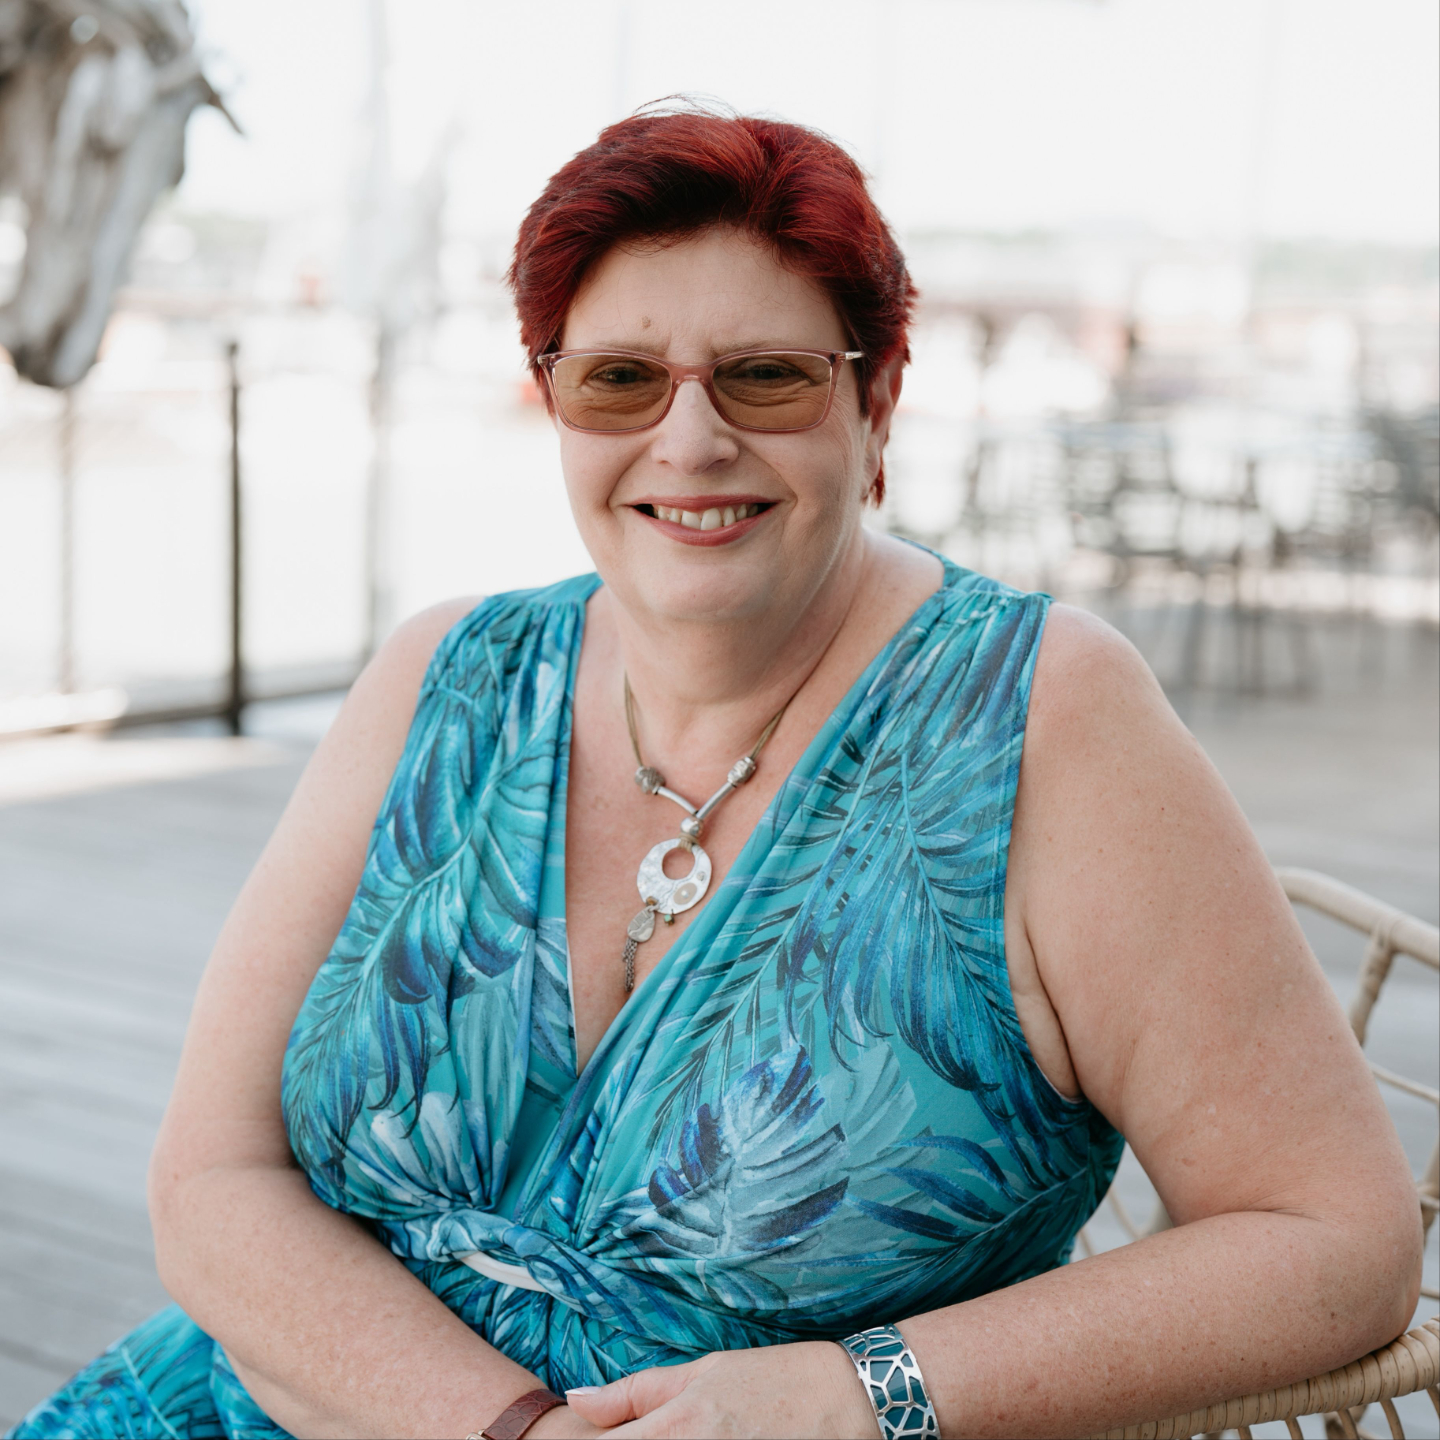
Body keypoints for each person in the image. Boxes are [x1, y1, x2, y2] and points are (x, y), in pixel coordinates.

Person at [11, 106, 1420, 1440]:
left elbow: (1333, 1240)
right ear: (552, 400)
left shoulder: (1045, 717)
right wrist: (501, 1425)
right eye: (620, 379)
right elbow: (214, 1176)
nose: (689, 441)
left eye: (767, 375)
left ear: (877, 401)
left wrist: (858, 1393)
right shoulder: (446, 675)